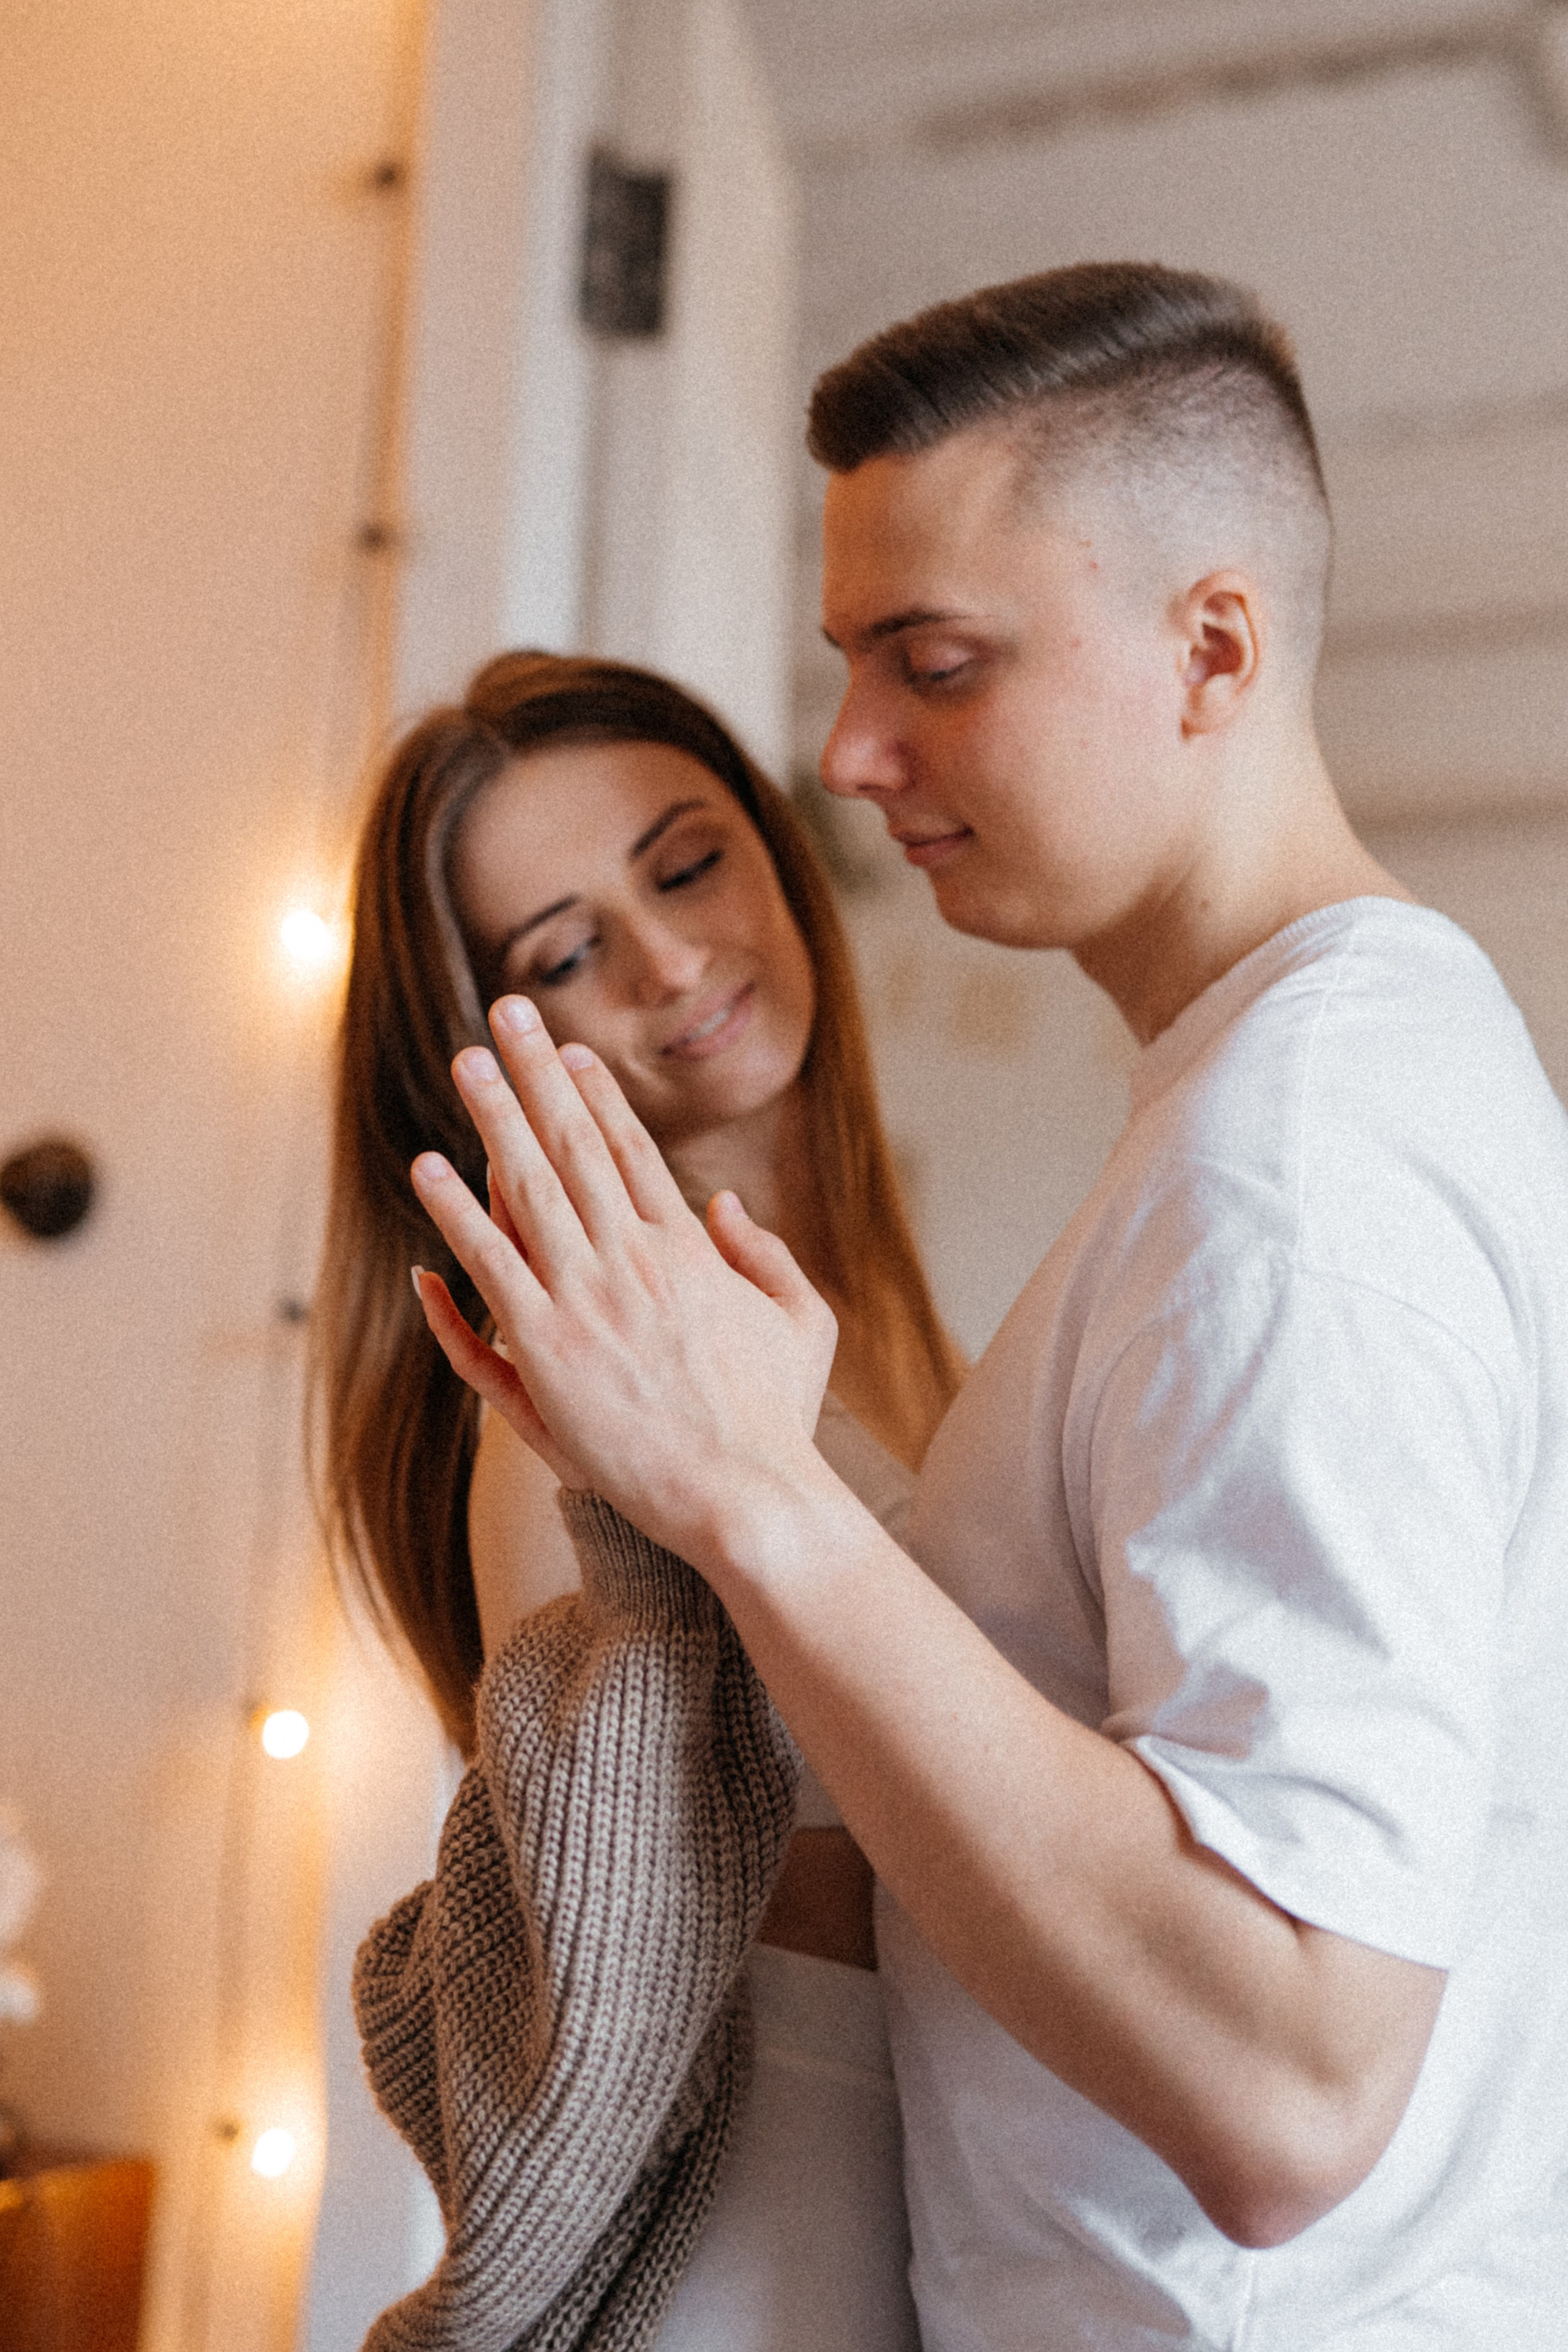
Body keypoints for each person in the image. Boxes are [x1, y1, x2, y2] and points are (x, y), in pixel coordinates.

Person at [411, 266, 1568, 2350]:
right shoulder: (1275, 1116)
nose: (849, 756)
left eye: (934, 663)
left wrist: (760, 1501)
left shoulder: (1293, 1174)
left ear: (1213, 646)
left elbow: (1292, 2079)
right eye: (852, 665)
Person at [312, 650, 959, 2349]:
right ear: (481, 1044)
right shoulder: (554, 1407)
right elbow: (631, 1941)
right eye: (568, 954)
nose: (676, 964)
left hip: (970, 2186)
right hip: (773, 2210)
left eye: (687, 866)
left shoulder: (912, 1322)